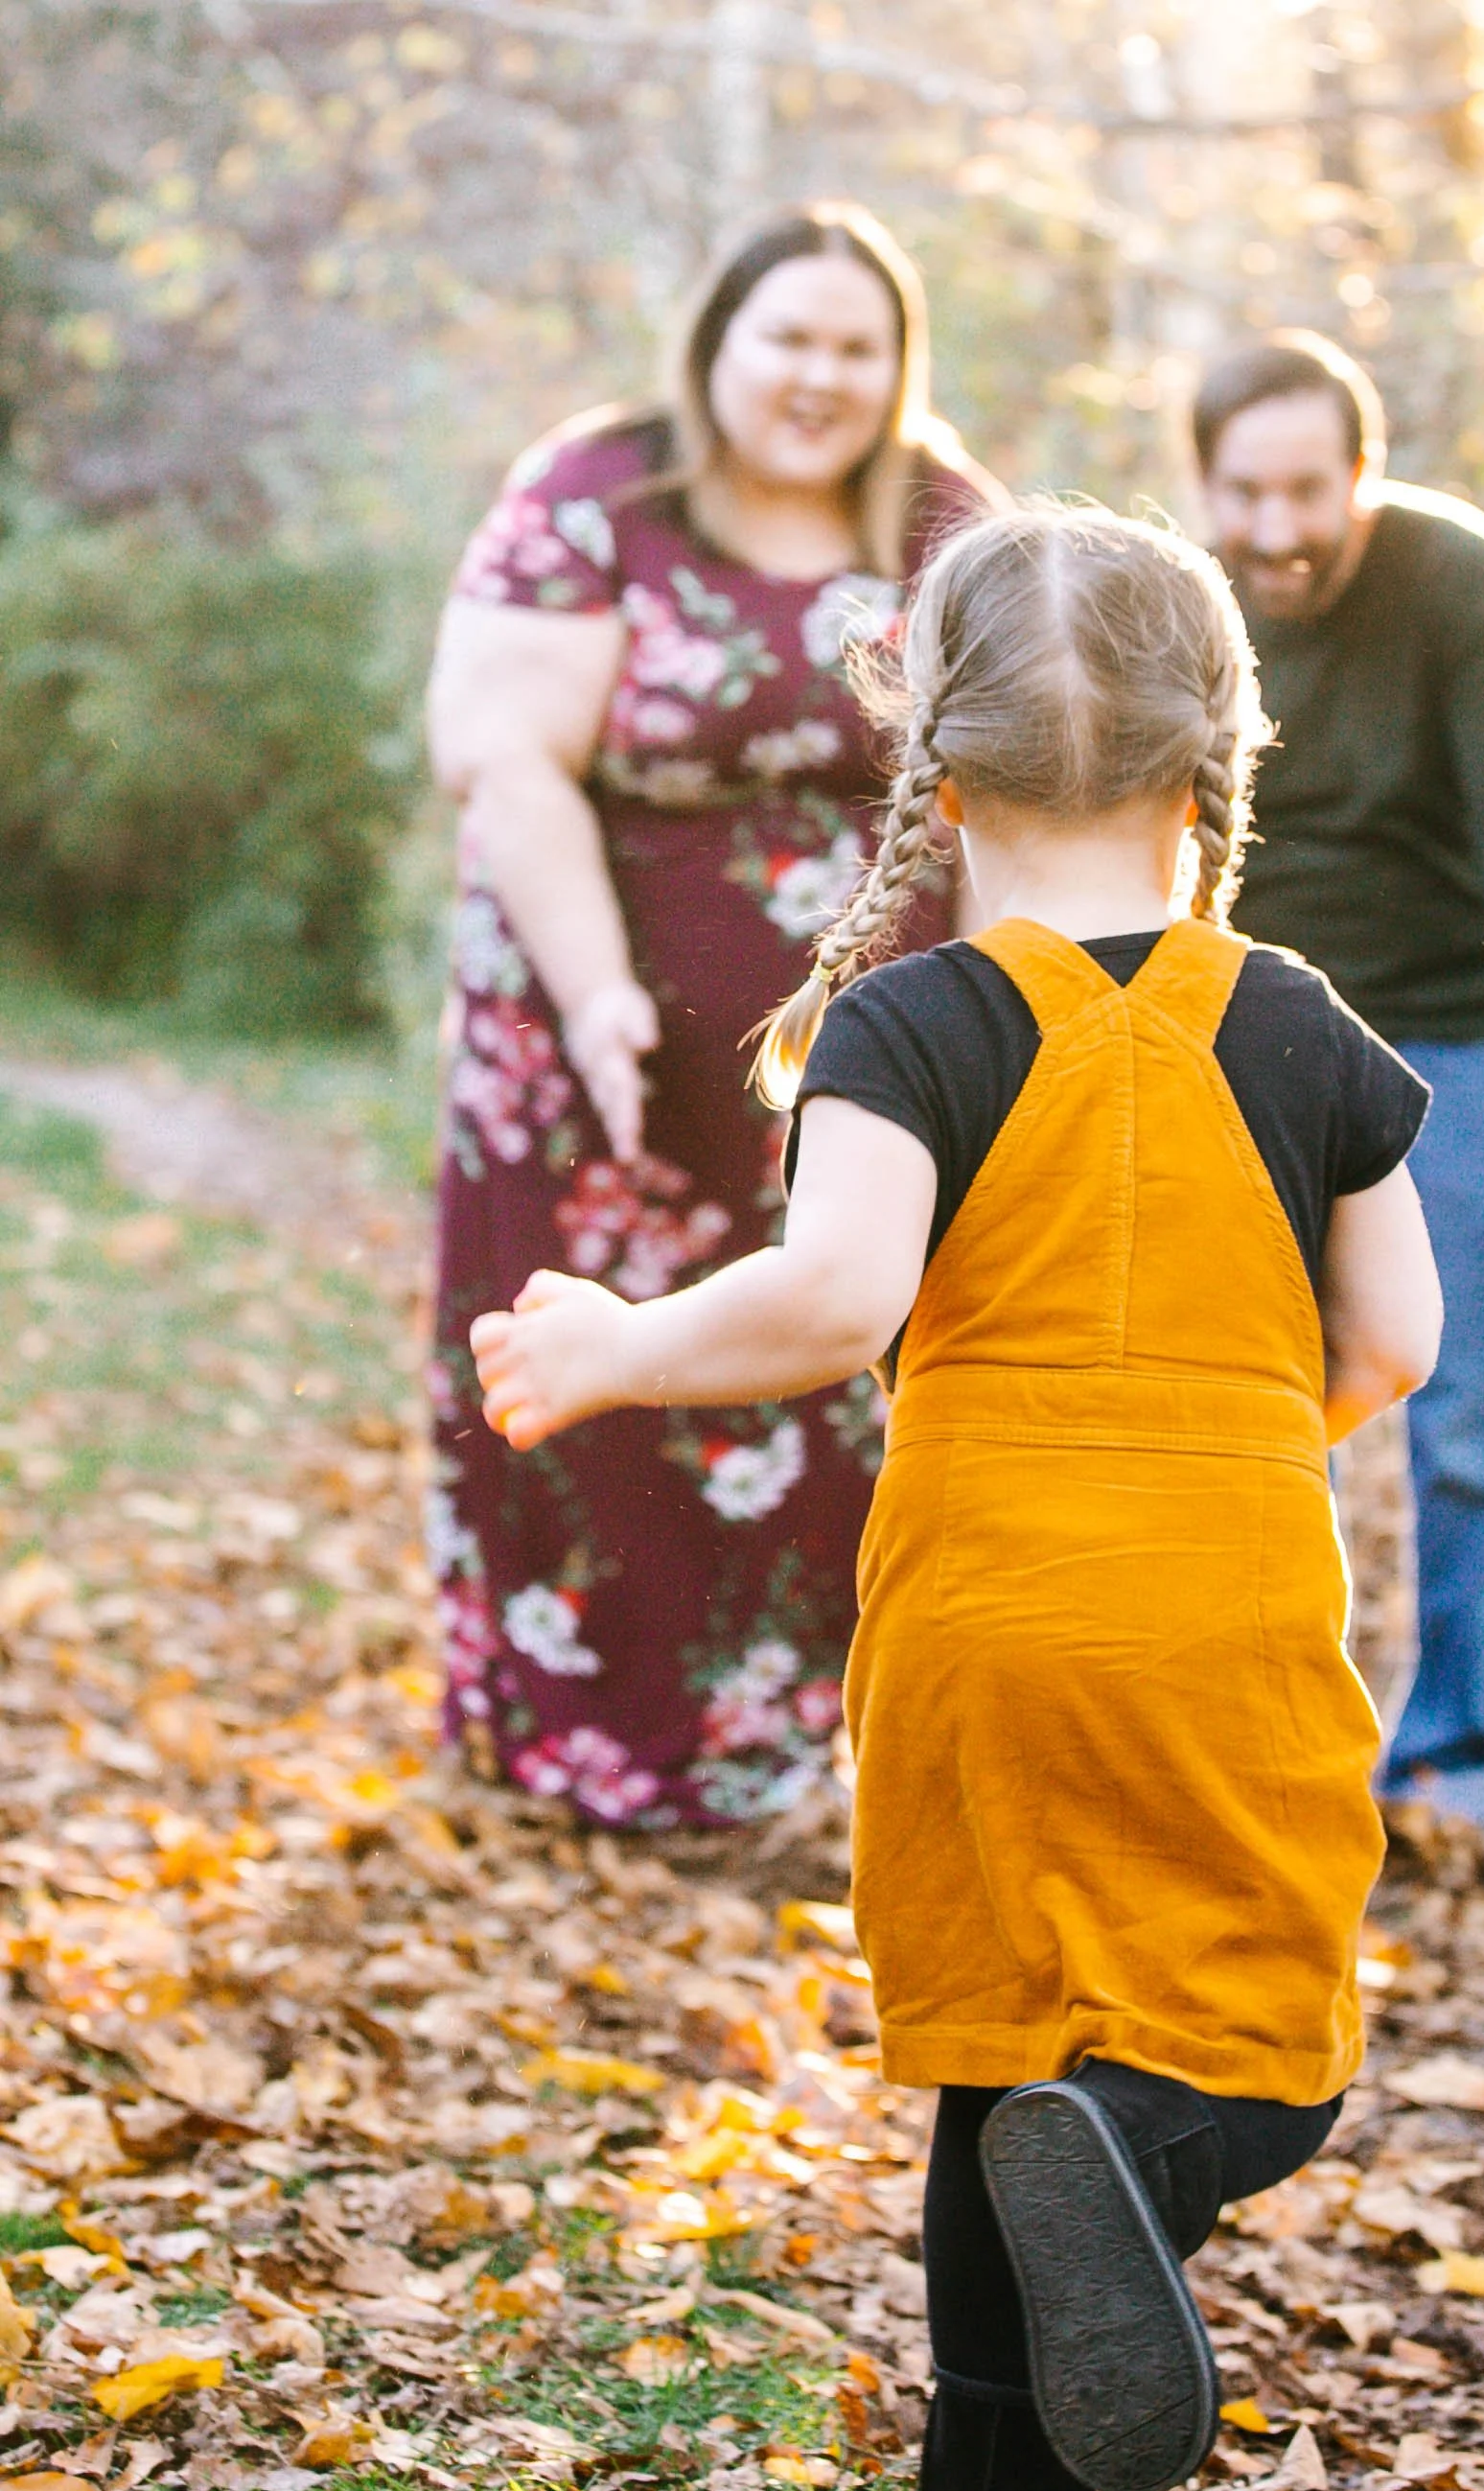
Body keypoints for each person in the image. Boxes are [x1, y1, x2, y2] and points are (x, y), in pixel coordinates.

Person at [470, 505, 1443, 2491]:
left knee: (1003, 2063)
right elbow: (1397, 1339)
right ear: (1215, 747)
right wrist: (1234, 1441)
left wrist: (627, 1341)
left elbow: (831, 1301)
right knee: (1265, 2044)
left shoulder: (907, 1024)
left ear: (927, 743)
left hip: (976, 1614)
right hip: (1228, 1593)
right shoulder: (1293, 1022)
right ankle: (1156, 2148)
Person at [425, 202, 1001, 1828]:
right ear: (718, 347)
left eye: (855, 345)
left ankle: (812, 1762)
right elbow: (505, 755)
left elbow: (1035, 774)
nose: (820, 375)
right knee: (588, 1355)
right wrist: (603, 995)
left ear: (898, 366)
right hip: (595, 1051)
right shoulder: (595, 495)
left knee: (839, 1369)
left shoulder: (946, 521)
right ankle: (579, 1751)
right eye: (789, 338)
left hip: (879, 1071)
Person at [1194, 331, 1484, 1830]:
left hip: (1468, 1036)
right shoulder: (1182, 598)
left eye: (1306, 492)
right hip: (1256, 1041)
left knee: (1463, 1423)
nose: (1274, 531)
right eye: (1244, 493)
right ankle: (1271, 1743)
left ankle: (1451, 1745)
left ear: (1362, 476)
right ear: (1203, 483)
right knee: (1253, 1403)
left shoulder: (1452, 579)